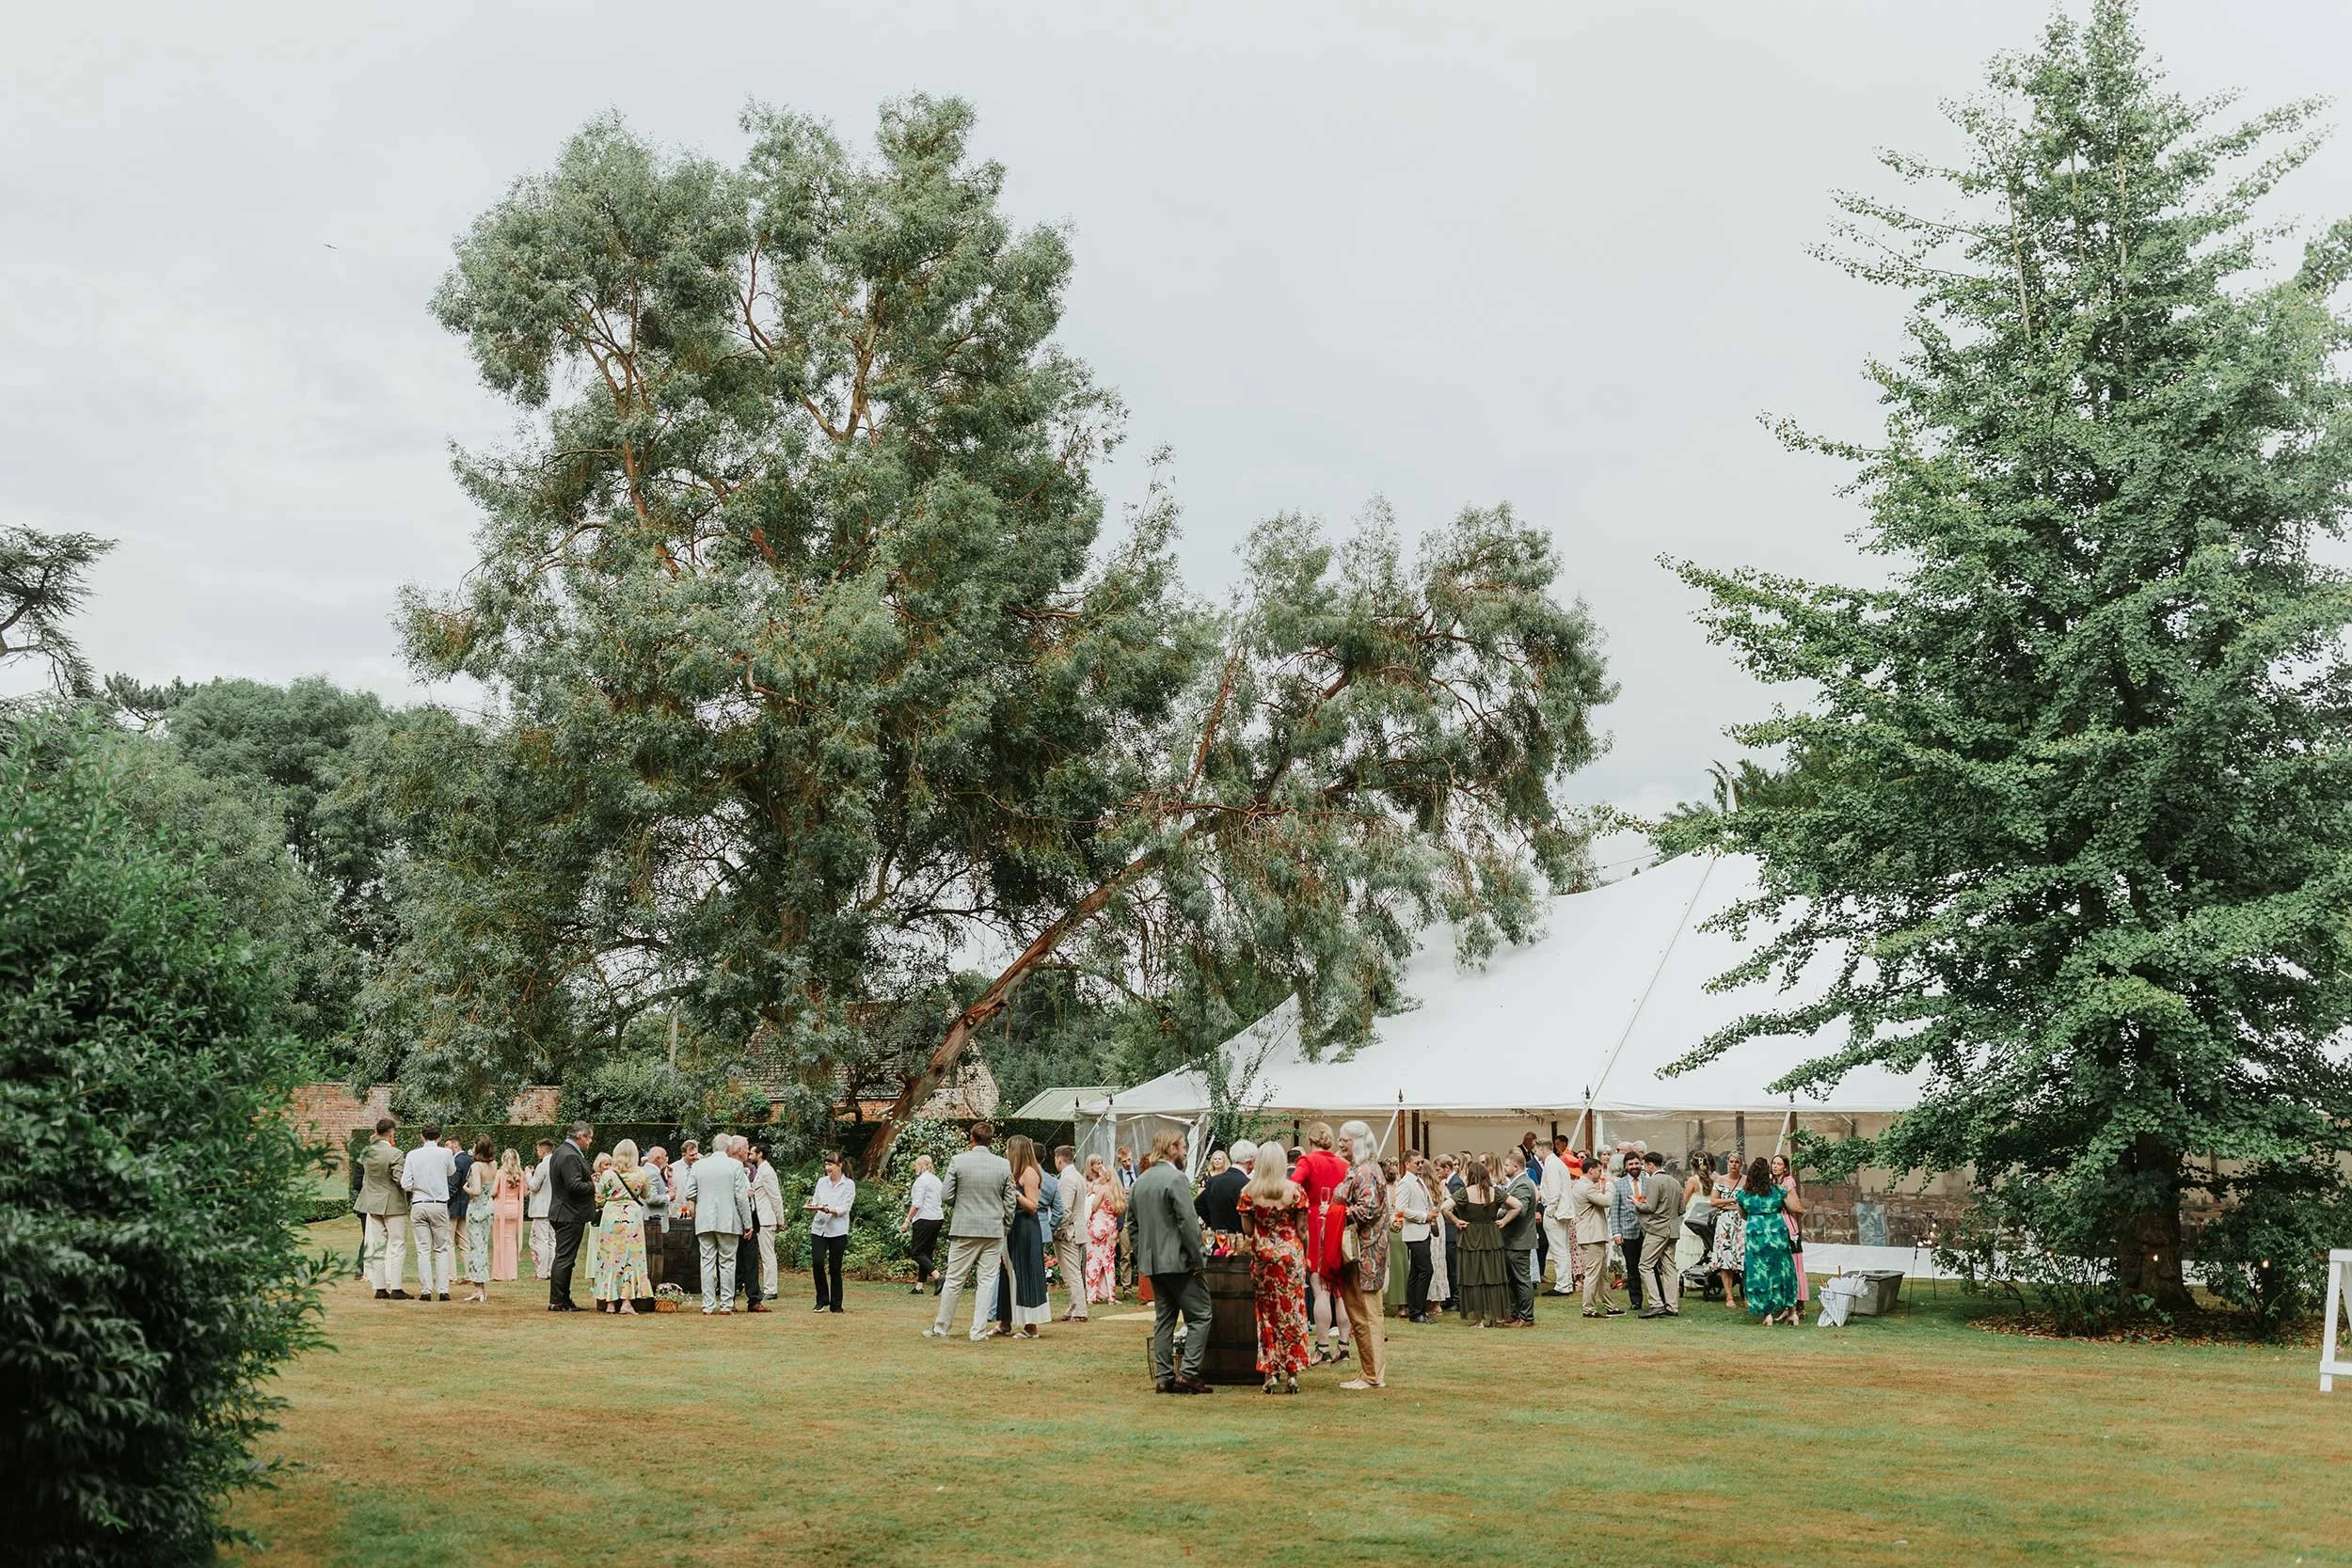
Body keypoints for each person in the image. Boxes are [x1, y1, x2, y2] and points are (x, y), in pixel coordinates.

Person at [1130, 1128, 1213, 1394]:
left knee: (1164, 1319)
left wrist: (1142, 1253)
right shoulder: (1176, 1178)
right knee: (1201, 1315)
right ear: (1172, 1148)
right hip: (1180, 1262)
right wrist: (1199, 1257)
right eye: (1183, 1146)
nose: (1186, 1151)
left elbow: (1131, 1226)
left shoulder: (1139, 1182)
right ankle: (1188, 1373)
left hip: (1152, 1263)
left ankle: (1165, 1376)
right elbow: (1188, 1224)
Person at [925, 1121, 1017, 1340]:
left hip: (965, 1228)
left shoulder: (959, 1161)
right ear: (991, 1140)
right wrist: (1006, 1224)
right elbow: (1010, 1201)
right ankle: (977, 1331)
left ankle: (942, 1328)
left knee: (955, 1280)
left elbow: (946, 1195)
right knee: (986, 1282)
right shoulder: (1003, 1165)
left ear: (971, 1139)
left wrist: (963, 1205)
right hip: (994, 1230)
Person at [1235, 1137, 1311, 1394]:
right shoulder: (1295, 1191)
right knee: (1292, 1314)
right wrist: (1306, 1255)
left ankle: (1270, 1372)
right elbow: (1302, 1230)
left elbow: (1247, 1230)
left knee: (1266, 1317)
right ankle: (1292, 1372)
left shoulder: (1249, 1192)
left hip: (1263, 1257)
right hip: (1290, 1257)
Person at [1332, 1120, 1391, 1388]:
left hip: (1364, 1254)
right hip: (1360, 1254)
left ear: (1358, 1141)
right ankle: (1369, 1372)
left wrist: (1334, 1213)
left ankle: (1371, 1375)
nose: (1340, 1143)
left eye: (1344, 1139)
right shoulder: (1359, 1169)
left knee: (1366, 1314)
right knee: (1360, 1313)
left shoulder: (1365, 1171)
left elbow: (1367, 1210)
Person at [1291, 1122, 1354, 1368]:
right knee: (1341, 1289)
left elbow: (1294, 1184)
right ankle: (1345, 1346)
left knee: (1320, 1289)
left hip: (1316, 1224)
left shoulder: (1307, 1161)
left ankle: (1323, 1348)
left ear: (1311, 1140)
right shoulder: (1344, 1164)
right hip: (1338, 1223)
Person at [1714, 1157, 1803, 1324]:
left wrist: (1756, 1217)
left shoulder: (1744, 1195)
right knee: (1784, 1270)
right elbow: (1795, 1208)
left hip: (1756, 1234)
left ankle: (1767, 1314)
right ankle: (1792, 1312)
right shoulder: (1777, 1191)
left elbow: (1742, 1214)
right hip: (1777, 1233)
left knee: (1759, 1272)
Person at [684, 1133, 753, 1314]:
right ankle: (726, 1304)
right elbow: (741, 1196)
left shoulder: (699, 1165)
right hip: (728, 1220)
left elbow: (689, 1191)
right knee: (727, 1262)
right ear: (729, 1149)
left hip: (704, 1220)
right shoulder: (735, 1166)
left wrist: (704, 1199)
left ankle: (708, 1305)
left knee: (706, 1262)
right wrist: (748, 1223)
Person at [399, 1121, 457, 1302]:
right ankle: (443, 1290)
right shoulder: (446, 1153)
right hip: (439, 1204)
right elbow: (451, 1172)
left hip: (419, 1203)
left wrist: (419, 1185)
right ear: (439, 1137)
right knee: (441, 1248)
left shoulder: (413, 1155)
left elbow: (405, 1183)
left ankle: (426, 1291)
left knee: (423, 1250)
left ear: (422, 1136)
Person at [1001, 1135, 1054, 1338]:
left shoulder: (1030, 1173)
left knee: (1026, 1273)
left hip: (1026, 1229)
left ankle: (1031, 1326)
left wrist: (1016, 1195)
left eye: (1008, 1149)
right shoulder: (1015, 1172)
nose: (1006, 1152)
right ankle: (1005, 1321)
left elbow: (1033, 1206)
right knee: (1009, 1273)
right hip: (1013, 1227)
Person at [591, 1140, 651, 1314]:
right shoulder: (640, 1174)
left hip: (611, 1217)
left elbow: (599, 1198)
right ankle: (626, 1302)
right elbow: (647, 1194)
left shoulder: (608, 1174)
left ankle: (610, 1302)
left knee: (610, 1258)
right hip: (631, 1217)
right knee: (631, 1259)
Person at [355, 1117, 412, 1300]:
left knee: (378, 1246)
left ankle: (380, 1287)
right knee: (397, 1245)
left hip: (372, 1203)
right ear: (391, 1133)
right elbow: (399, 1179)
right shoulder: (395, 1153)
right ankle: (396, 1287)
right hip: (393, 1203)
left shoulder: (365, 1153)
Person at [546, 1126, 594, 1310]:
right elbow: (573, 1185)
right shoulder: (570, 1155)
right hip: (569, 1213)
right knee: (565, 1258)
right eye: (589, 1138)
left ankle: (563, 1299)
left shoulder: (560, 1152)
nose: (590, 1142)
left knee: (565, 1258)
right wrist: (593, 1185)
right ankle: (558, 1301)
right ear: (581, 1136)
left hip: (563, 1211)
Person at [1572, 1156, 1620, 1317]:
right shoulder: (1587, 1187)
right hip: (1592, 1235)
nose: (1600, 1173)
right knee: (1593, 1274)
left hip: (1593, 1234)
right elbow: (1607, 1201)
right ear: (1591, 1170)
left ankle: (1610, 1306)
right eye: (1599, 1170)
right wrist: (1610, 1187)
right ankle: (1588, 1309)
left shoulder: (1582, 1185)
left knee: (1601, 1274)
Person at [807, 1148, 855, 1313]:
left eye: (831, 1165)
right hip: (819, 1228)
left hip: (838, 1231)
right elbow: (816, 1200)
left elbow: (845, 1208)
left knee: (835, 1267)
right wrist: (814, 1207)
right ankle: (822, 1299)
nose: (828, 1168)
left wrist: (829, 1210)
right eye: (826, 1165)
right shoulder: (821, 1182)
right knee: (817, 1262)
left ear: (840, 1165)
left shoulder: (848, 1184)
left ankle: (836, 1304)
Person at [1636, 1150, 1681, 1317]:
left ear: (1650, 1165)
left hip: (1657, 1230)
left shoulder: (1653, 1180)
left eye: (1644, 1165)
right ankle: (1672, 1306)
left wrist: (1636, 1203)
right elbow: (1681, 1208)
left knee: (1645, 1265)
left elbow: (1649, 1207)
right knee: (1669, 1267)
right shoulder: (1675, 1182)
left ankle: (1656, 1303)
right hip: (1673, 1229)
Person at [1391, 1151, 1436, 1323]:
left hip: (1423, 1231)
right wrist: (1424, 1216)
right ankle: (1418, 1311)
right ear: (1407, 1164)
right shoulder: (1405, 1183)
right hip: (1414, 1233)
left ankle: (1415, 1310)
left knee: (1416, 1272)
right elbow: (1401, 1210)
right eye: (1416, 1163)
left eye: (1421, 1162)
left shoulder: (1420, 1181)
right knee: (1426, 1270)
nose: (1420, 1165)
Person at [1498, 1149, 1540, 1327]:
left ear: (1516, 1167)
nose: (1504, 1168)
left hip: (1519, 1239)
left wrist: (1501, 1213)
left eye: (1507, 1165)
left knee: (1522, 1279)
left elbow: (1520, 1209)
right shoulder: (1518, 1182)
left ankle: (1526, 1317)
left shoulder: (1522, 1184)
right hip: (1513, 1239)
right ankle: (1513, 1314)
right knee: (1512, 1279)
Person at [1538, 1136, 1580, 1294]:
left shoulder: (1552, 1164)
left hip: (1556, 1213)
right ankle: (1566, 1283)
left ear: (1543, 1148)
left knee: (1558, 1250)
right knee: (1563, 1249)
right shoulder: (1556, 1163)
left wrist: (1549, 1211)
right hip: (1562, 1211)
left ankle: (1563, 1285)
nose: (1536, 1153)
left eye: (1536, 1150)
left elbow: (1554, 1192)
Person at [1054, 1146, 1090, 1323]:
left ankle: (1080, 1310)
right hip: (1079, 1229)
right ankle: (1073, 1306)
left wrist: (1058, 1230)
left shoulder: (1067, 1179)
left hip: (1069, 1232)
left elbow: (1065, 1210)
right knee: (1074, 1270)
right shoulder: (1078, 1177)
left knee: (1071, 1272)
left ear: (1059, 1160)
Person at [457, 1135, 495, 1301]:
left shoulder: (476, 1166)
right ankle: (481, 1286)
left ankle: (478, 1288)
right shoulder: (494, 1165)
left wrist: (466, 1188)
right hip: (489, 1207)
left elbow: (477, 1190)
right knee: (483, 1246)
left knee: (475, 1247)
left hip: (477, 1208)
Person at [1771, 1153, 1810, 1307]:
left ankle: (1798, 1300)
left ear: (1785, 1168)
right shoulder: (1773, 1182)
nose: (1775, 1166)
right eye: (1774, 1163)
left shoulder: (1788, 1182)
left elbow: (1796, 1207)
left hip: (1787, 1222)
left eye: (1779, 1164)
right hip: (1775, 1223)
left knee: (1794, 1262)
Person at [1708, 1154, 1746, 1307]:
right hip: (1725, 1221)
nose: (1734, 1165)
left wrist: (1736, 1205)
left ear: (1741, 1164)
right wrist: (1731, 1201)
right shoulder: (1720, 1180)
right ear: (1727, 1163)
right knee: (1726, 1258)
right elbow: (1714, 1201)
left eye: (1737, 1162)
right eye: (1731, 1162)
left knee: (1744, 1258)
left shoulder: (1746, 1180)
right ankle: (1729, 1296)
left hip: (1742, 1220)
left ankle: (1747, 1295)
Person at [1611, 1148, 1646, 1313]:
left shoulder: (1648, 1181)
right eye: (1631, 1164)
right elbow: (1615, 1210)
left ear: (1641, 1164)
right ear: (1626, 1167)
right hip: (1628, 1231)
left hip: (1647, 1230)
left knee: (1650, 1266)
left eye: (1636, 1163)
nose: (1634, 1166)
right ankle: (1636, 1301)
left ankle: (1657, 1298)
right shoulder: (1620, 1185)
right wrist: (1616, 1233)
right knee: (1632, 1268)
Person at [1083, 1156, 1122, 1305]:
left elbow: (1093, 1207)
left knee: (1093, 1260)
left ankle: (1092, 1295)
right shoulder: (1116, 1191)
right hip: (1111, 1227)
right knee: (1109, 1262)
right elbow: (1118, 1212)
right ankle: (1110, 1295)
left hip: (1098, 1226)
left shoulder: (1104, 1189)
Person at [747, 1141, 783, 1301]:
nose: (749, 1156)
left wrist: (780, 1219)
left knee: (768, 1256)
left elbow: (775, 1197)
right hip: (760, 1219)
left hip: (767, 1219)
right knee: (764, 1256)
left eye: (751, 1153)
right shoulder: (761, 1170)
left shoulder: (767, 1171)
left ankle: (771, 1289)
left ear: (760, 1154)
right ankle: (768, 1287)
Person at [904, 1153, 945, 1295]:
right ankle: (919, 1287)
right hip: (937, 1219)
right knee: (926, 1253)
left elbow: (917, 1204)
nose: (914, 1167)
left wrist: (907, 1220)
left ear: (922, 1165)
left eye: (916, 1164)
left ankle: (939, 1277)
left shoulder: (921, 1181)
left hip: (924, 1219)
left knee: (916, 1252)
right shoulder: (936, 1180)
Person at [1676, 1153, 1718, 1282]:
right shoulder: (1715, 1178)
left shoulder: (1692, 1181)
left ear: (1692, 1165)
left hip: (1694, 1216)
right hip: (1709, 1216)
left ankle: (1689, 1278)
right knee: (1705, 1246)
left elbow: (1684, 1201)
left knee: (1689, 1248)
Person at [489, 1148, 526, 1283]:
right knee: (511, 1241)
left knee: (499, 1241)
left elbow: (493, 1192)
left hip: (501, 1209)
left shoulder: (500, 1173)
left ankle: (500, 1273)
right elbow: (525, 1192)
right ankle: (511, 1273)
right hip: (514, 1209)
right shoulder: (520, 1174)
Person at [1195, 1142, 1248, 1233]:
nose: (1217, 1161)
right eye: (1215, 1159)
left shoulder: (1229, 1176)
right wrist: (1212, 1219)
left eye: (1219, 1159)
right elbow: (1200, 1200)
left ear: (1224, 1160)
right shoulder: (1208, 1177)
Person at [526, 1138, 556, 1280]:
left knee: (542, 1240)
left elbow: (534, 1185)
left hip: (542, 1208)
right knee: (552, 1240)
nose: (537, 1153)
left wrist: (528, 1174)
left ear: (543, 1151)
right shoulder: (556, 1164)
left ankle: (542, 1272)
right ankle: (551, 1270)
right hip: (553, 1207)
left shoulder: (543, 1165)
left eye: (538, 1150)